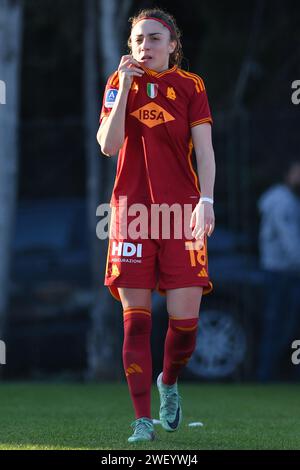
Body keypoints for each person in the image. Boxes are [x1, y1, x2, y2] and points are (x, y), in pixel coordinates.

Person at [97, 8, 216, 443]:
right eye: (137, 40)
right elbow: (108, 147)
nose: (144, 46)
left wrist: (206, 200)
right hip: (131, 215)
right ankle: (142, 420)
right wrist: (126, 82)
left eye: (153, 38)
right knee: (136, 324)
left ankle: (169, 380)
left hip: (181, 214)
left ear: (172, 44)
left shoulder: (190, 86)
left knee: (185, 327)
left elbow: (204, 150)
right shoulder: (117, 83)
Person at [257, 160, 300, 381]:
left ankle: (272, 374)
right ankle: (267, 376)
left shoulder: (286, 200)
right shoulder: (283, 202)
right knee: (279, 326)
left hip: (282, 272)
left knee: (282, 326)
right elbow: (289, 240)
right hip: (282, 273)